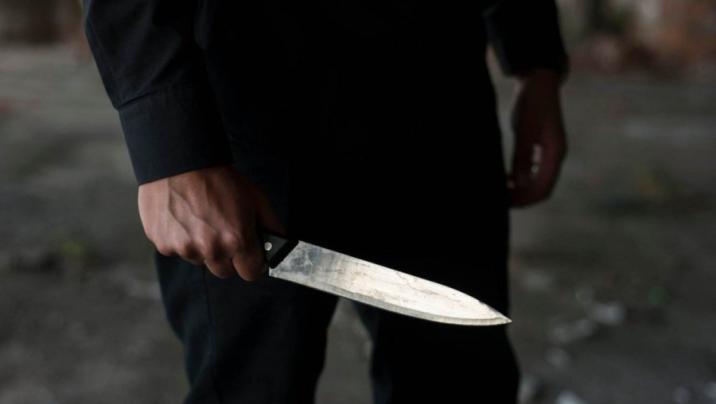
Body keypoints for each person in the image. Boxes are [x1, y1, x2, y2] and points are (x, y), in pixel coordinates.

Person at [83, 0, 568, 402]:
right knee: (249, 384)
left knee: (458, 382)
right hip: (246, 114)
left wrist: (536, 58)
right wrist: (171, 144)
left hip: (438, 98)